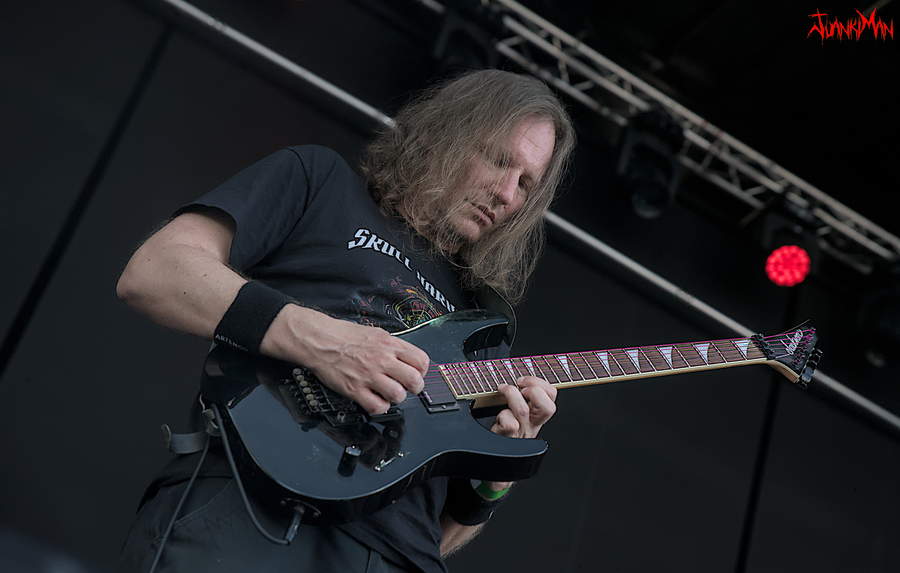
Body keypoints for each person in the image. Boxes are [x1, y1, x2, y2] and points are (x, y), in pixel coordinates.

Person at [115, 68, 575, 573]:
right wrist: (327, 342)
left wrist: (497, 476)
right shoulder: (321, 181)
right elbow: (156, 271)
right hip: (253, 511)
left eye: (526, 183)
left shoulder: (484, 323)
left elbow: (442, 533)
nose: (507, 193)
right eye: (499, 160)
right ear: (448, 134)